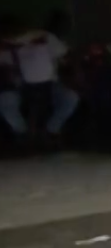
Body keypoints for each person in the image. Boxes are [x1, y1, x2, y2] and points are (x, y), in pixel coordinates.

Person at [0, 12, 80, 147]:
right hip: (20, 86)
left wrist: (71, 73)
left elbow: (66, 55)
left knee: (70, 98)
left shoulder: (43, 37)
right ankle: (22, 132)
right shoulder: (3, 46)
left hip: (50, 85)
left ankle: (51, 130)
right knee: (4, 101)